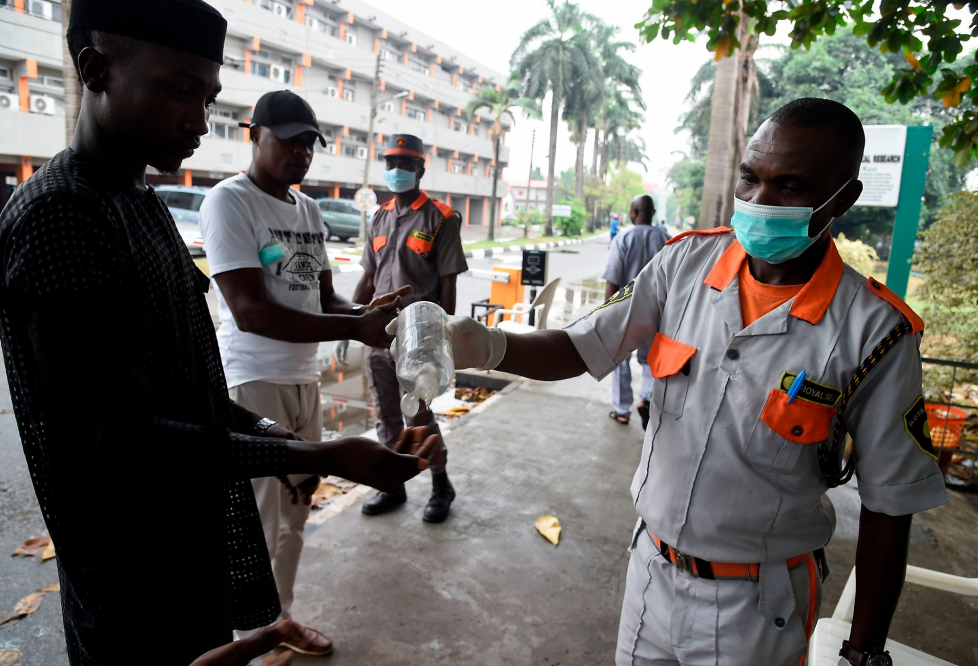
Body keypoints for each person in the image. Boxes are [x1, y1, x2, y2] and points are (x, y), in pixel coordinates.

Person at [0, 2, 435, 663]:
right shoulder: (62, 219)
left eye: (209, 97)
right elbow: (127, 439)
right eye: (179, 90)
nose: (199, 121)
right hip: (130, 582)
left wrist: (279, 438)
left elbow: (185, 386)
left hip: (181, 551)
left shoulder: (136, 200)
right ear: (96, 69)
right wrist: (313, 455)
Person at [443, 98, 948, 666]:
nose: (759, 201)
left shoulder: (874, 332)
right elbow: (582, 345)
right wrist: (489, 345)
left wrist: (864, 650)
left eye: (790, 186)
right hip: (650, 572)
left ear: (843, 199)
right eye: (750, 178)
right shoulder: (681, 266)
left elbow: (889, 502)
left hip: (758, 607)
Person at [199, 90, 411, 657]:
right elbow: (249, 310)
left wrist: (368, 315)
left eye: (308, 144)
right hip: (252, 382)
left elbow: (323, 299)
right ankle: (251, 637)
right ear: (254, 134)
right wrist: (351, 330)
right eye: (288, 140)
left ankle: (280, 621)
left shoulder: (309, 209)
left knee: (295, 509)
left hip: (302, 379)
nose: (300, 153)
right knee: (260, 520)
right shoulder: (229, 202)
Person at [353, 134, 469, 523]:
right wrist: (351, 322)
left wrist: (440, 340)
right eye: (390, 163)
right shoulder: (380, 215)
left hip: (417, 340)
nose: (396, 171)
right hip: (376, 333)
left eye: (405, 164)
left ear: (420, 168)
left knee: (418, 415)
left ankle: (440, 483)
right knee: (385, 416)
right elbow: (369, 278)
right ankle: (392, 485)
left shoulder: (441, 217)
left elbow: (448, 288)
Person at [602, 195, 668, 429]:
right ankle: (646, 398)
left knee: (620, 360)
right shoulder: (667, 239)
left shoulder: (624, 238)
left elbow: (613, 280)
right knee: (651, 360)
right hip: (658, 312)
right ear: (652, 212)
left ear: (634, 212)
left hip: (626, 312)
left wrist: (606, 313)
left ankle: (621, 411)